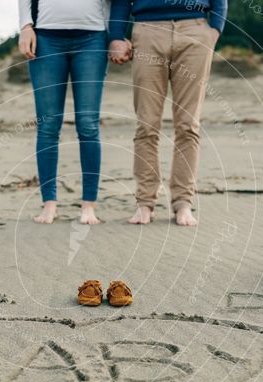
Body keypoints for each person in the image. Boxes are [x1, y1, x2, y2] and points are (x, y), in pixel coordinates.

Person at [108, 0, 227, 226]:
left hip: (195, 31)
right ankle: (144, 203)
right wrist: (116, 35)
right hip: (147, 30)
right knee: (146, 124)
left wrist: (214, 30)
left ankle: (183, 203)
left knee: (188, 124)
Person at [18, 0, 113, 224]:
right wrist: (25, 26)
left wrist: (114, 34)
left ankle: (89, 205)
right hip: (46, 38)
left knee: (88, 125)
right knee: (48, 125)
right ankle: (49, 204)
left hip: (93, 38)